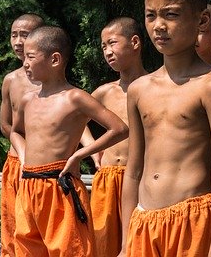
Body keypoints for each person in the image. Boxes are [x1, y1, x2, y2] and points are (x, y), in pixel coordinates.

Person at [118, 0, 211, 257]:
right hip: (144, 222)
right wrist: (126, 243)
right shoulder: (138, 89)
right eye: (150, 16)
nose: (159, 26)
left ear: (201, 21)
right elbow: (134, 170)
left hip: (193, 221)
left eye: (171, 15)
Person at [11, 26, 128, 257]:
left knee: (70, 249)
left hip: (59, 184)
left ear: (55, 59)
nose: (25, 63)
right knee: (26, 249)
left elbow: (119, 128)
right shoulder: (27, 100)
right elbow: (15, 132)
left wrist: (80, 154)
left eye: (31, 57)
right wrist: (23, 158)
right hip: (28, 185)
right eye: (24, 57)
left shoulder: (75, 97)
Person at [89, 17, 147, 257]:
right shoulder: (105, 91)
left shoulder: (152, 86)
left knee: (137, 244)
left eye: (112, 43)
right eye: (103, 47)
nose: (107, 52)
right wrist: (92, 148)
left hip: (141, 177)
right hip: (108, 176)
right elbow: (77, 120)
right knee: (101, 244)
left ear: (135, 42)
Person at [0, 13, 43, 257]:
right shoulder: (10, 80)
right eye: (13, 35)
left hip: (46, 166)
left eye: (24, 35)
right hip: (17, 163)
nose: (17, 41)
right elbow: (6, 125)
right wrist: (24, 151)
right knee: (14, 229)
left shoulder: (52, 79)